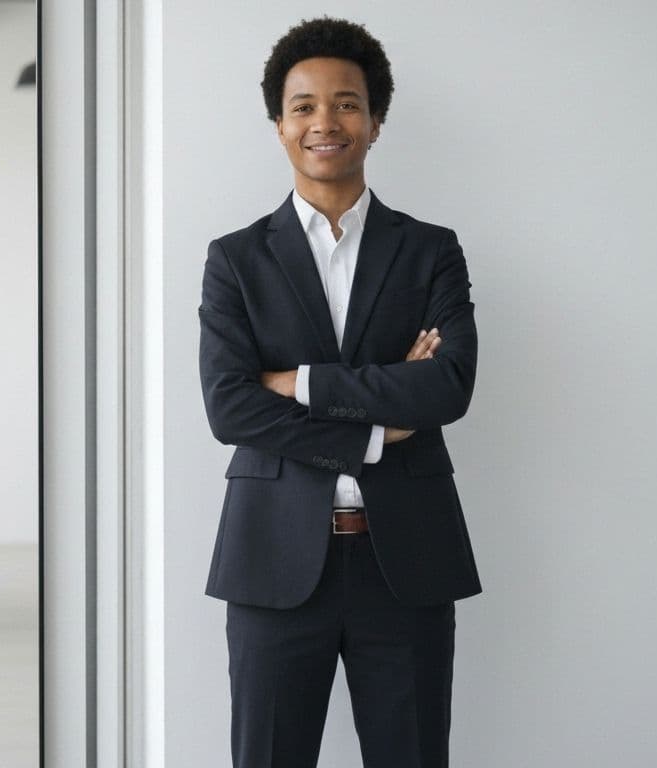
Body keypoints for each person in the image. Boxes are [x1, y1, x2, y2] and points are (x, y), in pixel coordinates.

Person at [197, 18, 480, 767]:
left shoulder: (430, 251)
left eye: (347, 103)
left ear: (376, 121)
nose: (326, 121)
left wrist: (301, 383)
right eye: (304, 106)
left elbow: (447, 387)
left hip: (407, 564)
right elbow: (230, 407)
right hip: (273, 560)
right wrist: (377, 426)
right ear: (279, 124)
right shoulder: (235, 261)